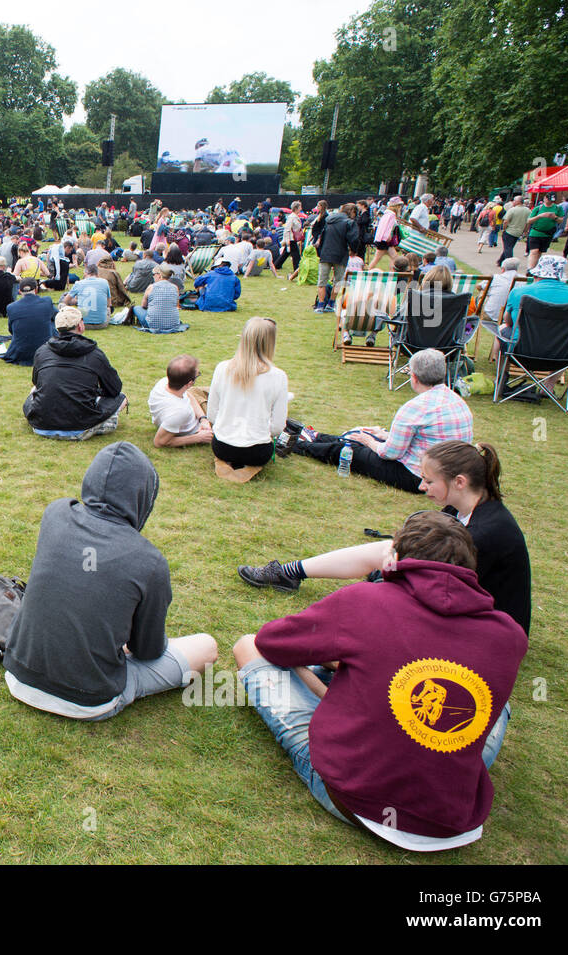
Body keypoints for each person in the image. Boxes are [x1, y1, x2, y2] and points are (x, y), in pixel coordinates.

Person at [233, 510, 527, 851]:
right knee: (498, 704)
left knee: (248, 646)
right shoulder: (509, 635)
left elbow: (271, 643)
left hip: (356, 799)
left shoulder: (365, 602)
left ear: (394, 557)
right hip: (452, 820)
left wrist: (333, 661)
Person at [1, 441, 219, 720]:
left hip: (18, 675)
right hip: (90, 699)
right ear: (144, 496)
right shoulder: (149, 561)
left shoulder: (55, 513)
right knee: (206, 646)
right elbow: (148, 650)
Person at [238, 441, 530, 633]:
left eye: (429, 481)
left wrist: (390, 572)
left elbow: (440, 585)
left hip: (486, 625)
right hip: (465, 605)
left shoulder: (486, 532)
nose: (420, 486)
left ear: (460, 482)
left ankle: (301, 608)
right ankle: (292, 572)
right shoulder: (470, 510)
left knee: (378, 589)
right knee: (385, 554)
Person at [292, 349, 472, 493]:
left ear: (414, 377)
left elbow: (389, 453)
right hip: (447, 473)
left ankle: (299, 446)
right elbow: (426, 437)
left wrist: (369, 441)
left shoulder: (415, 407)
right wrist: (383, 435)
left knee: (350, 449)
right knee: (360, 438)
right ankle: (315, 436)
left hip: (418, 476)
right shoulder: (458, 402)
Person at [22, 306, 126, 439]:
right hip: (81, 425)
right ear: (81, 326)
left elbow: (37, 383)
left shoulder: (42, 351)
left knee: (34, 391)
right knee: (121, 397)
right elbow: (114, 389)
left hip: (41, 424)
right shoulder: (95, 354)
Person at [206, 316, 288, 470]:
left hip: (222, 447)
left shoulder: (222, 368)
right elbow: (277, 427)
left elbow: (211, 415)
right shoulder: (278, 377)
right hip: (258, 452)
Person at [148, 355, 213, 449]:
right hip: (202, 426)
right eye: (197, 374)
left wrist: (203, 419)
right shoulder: (179, 412)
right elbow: (159, 442)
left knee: (219, 391)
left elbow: (188, 395)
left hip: (199, 414)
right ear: (189, 383)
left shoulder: (163, 382)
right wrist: (199, 437)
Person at [315, 203, 361, 312]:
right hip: (340, 254)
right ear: (352, 212)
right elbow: (354, 239)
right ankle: (331, 304)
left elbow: (322, 236)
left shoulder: (328, 220)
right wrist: (354, 250)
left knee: (322, 281)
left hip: (325, 253)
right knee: (338, 281)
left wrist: (320, 252)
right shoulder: (349, 223)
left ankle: (320, 305)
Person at [2, 277, 56, 366]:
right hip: (45, 352)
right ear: (36, 289)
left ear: (19, 291)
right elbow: (57, 317)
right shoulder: (47, 302)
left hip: (21, 352)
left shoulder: (11, 307)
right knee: (51, 322)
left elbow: (12, 330)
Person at [525, 194, 563, 269]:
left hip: (547, 234)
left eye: (552, 201)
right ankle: (530, 269)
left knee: (539, 252)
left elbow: (560, 220)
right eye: (549, 200)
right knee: (534, 251)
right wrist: (540, 216)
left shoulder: (558, 208)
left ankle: (535, 267)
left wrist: (554, 217)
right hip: (535, 232)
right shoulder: (538, 208)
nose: (550, 202)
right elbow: (529, 221)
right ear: (545, 198)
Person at [497, 198, 530, 267]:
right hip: (518, 232)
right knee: (509, 247)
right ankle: (500, 261)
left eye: (514, 201)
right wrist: (525, 230)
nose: (513, 202)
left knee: (508, 248)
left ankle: (510, 264)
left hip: (510, 231)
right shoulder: (528, 211)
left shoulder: (512, 210)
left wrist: (504, 229)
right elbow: (528, 222)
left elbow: (506, 221)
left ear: (518, 202)